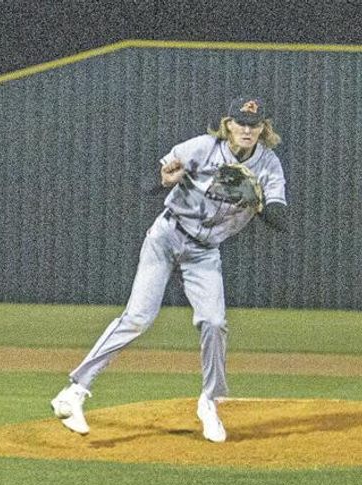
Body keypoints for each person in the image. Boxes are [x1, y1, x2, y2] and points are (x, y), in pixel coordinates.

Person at [50, 96, 288, 442]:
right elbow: (150, 180)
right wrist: (162, 180)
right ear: (228, 124)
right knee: (138, 317)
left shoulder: (269, 165)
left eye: (254, 124)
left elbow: (281, 219)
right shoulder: (203, 148)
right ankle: (73, 392)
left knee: (214, 322)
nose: (247, 129)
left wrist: (256, 199)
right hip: (167, 235)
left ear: (264, 128)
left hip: (205, 252)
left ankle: (209, 402)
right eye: (241, 123)